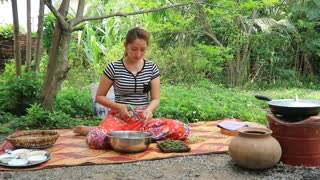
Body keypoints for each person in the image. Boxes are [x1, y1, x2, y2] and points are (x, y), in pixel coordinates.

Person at [73, 27, 189, 149]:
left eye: (143, 50)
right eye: (134, 49)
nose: (138, 54)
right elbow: (99, 97)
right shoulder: (113, 68)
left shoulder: (151, 67)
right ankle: (106, 131)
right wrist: (119, 107)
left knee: (182, 129)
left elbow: (155, 98)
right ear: (126, 46)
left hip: (143, 120)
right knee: (95, 139)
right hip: (119, 118)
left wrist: (149, 110)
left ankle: (117, 134)